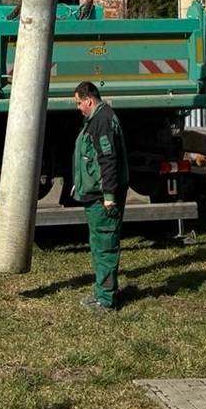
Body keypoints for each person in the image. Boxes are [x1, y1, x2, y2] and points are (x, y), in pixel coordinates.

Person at [72, 80, 129, 312]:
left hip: (102, 198)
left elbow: (107, 160)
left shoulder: (102, 122)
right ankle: (102, 293)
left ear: (89, 100)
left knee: (105, 245)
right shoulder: (97, 118)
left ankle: (105, 300)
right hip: (95, 194)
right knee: (99, 244)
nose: (78, 108)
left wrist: (108, 195)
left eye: (78, 103)